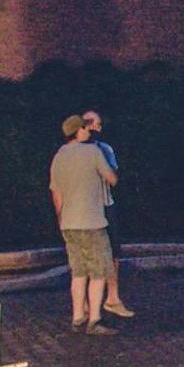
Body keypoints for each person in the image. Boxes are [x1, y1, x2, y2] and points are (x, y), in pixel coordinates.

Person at [50, 115, 119, 336]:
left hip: (69, 223)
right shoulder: (92, 152)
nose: (89, 131)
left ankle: (78, 316)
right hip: (92, 221)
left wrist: (61, 219)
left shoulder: (59, 156)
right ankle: (95, 319)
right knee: (98, 272)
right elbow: (112, 179)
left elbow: (56, 194)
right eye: (86, 127)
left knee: (78, 272)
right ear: (79, 130)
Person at [79, 108, 133, 319]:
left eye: (98, 124)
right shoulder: (72, 151)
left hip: (104, 204)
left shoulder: (104, 149)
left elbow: (111, 177)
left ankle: (112, 297)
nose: (97, 128)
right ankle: (84, 304)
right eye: (94, 124)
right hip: (84, 208)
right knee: (84, 255)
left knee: (112, 252)